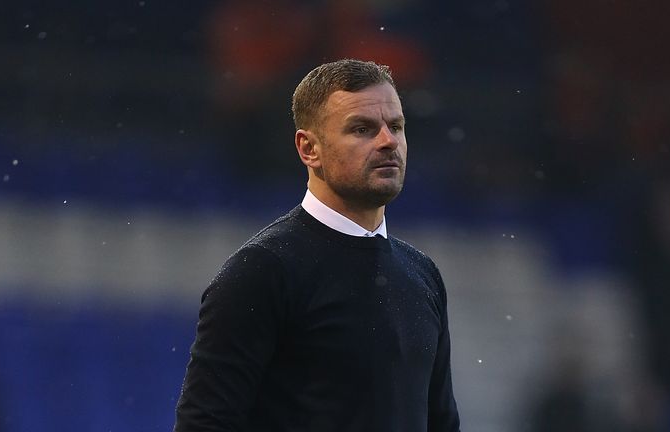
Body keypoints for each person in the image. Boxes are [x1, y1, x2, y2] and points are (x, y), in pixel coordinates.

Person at [174, 59, 460, 431]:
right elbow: (206, 424)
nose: (388, 141)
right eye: (362, 129)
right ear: (309, 149)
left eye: (396, 126)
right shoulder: (263, 270)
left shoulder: (422, 275)